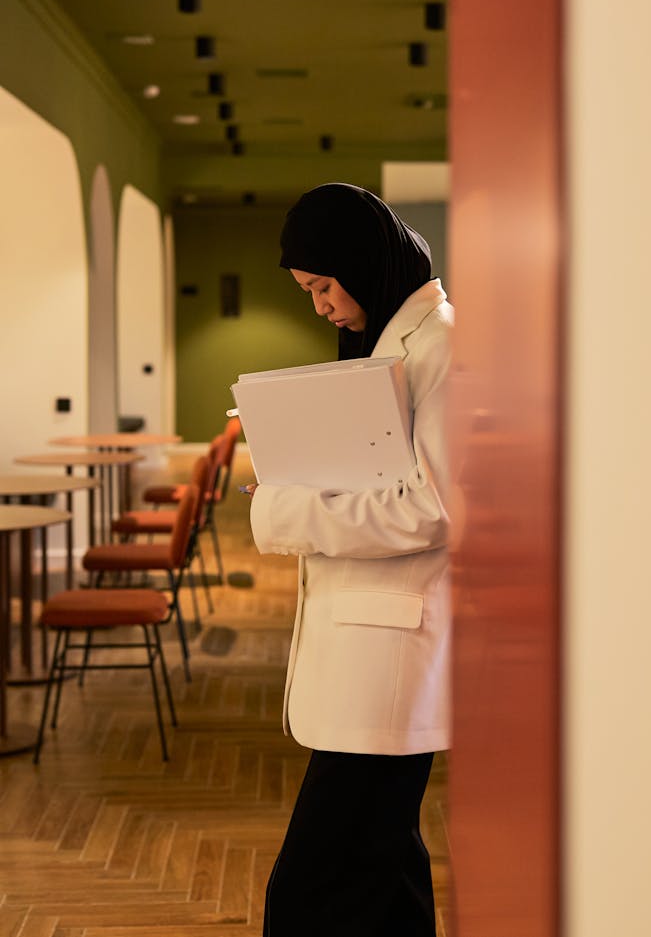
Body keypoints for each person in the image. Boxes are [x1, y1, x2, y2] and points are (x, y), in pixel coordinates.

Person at [243, 182, 452, 937]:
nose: (321, 307)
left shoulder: (441, 347)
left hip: (389, 650)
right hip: (371, 640)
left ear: (362, 262)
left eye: (323, 286)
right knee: (387, 873)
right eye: (308, 293)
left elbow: (434, 507)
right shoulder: (403, 342)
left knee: (310, 890)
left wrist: (287, 506)